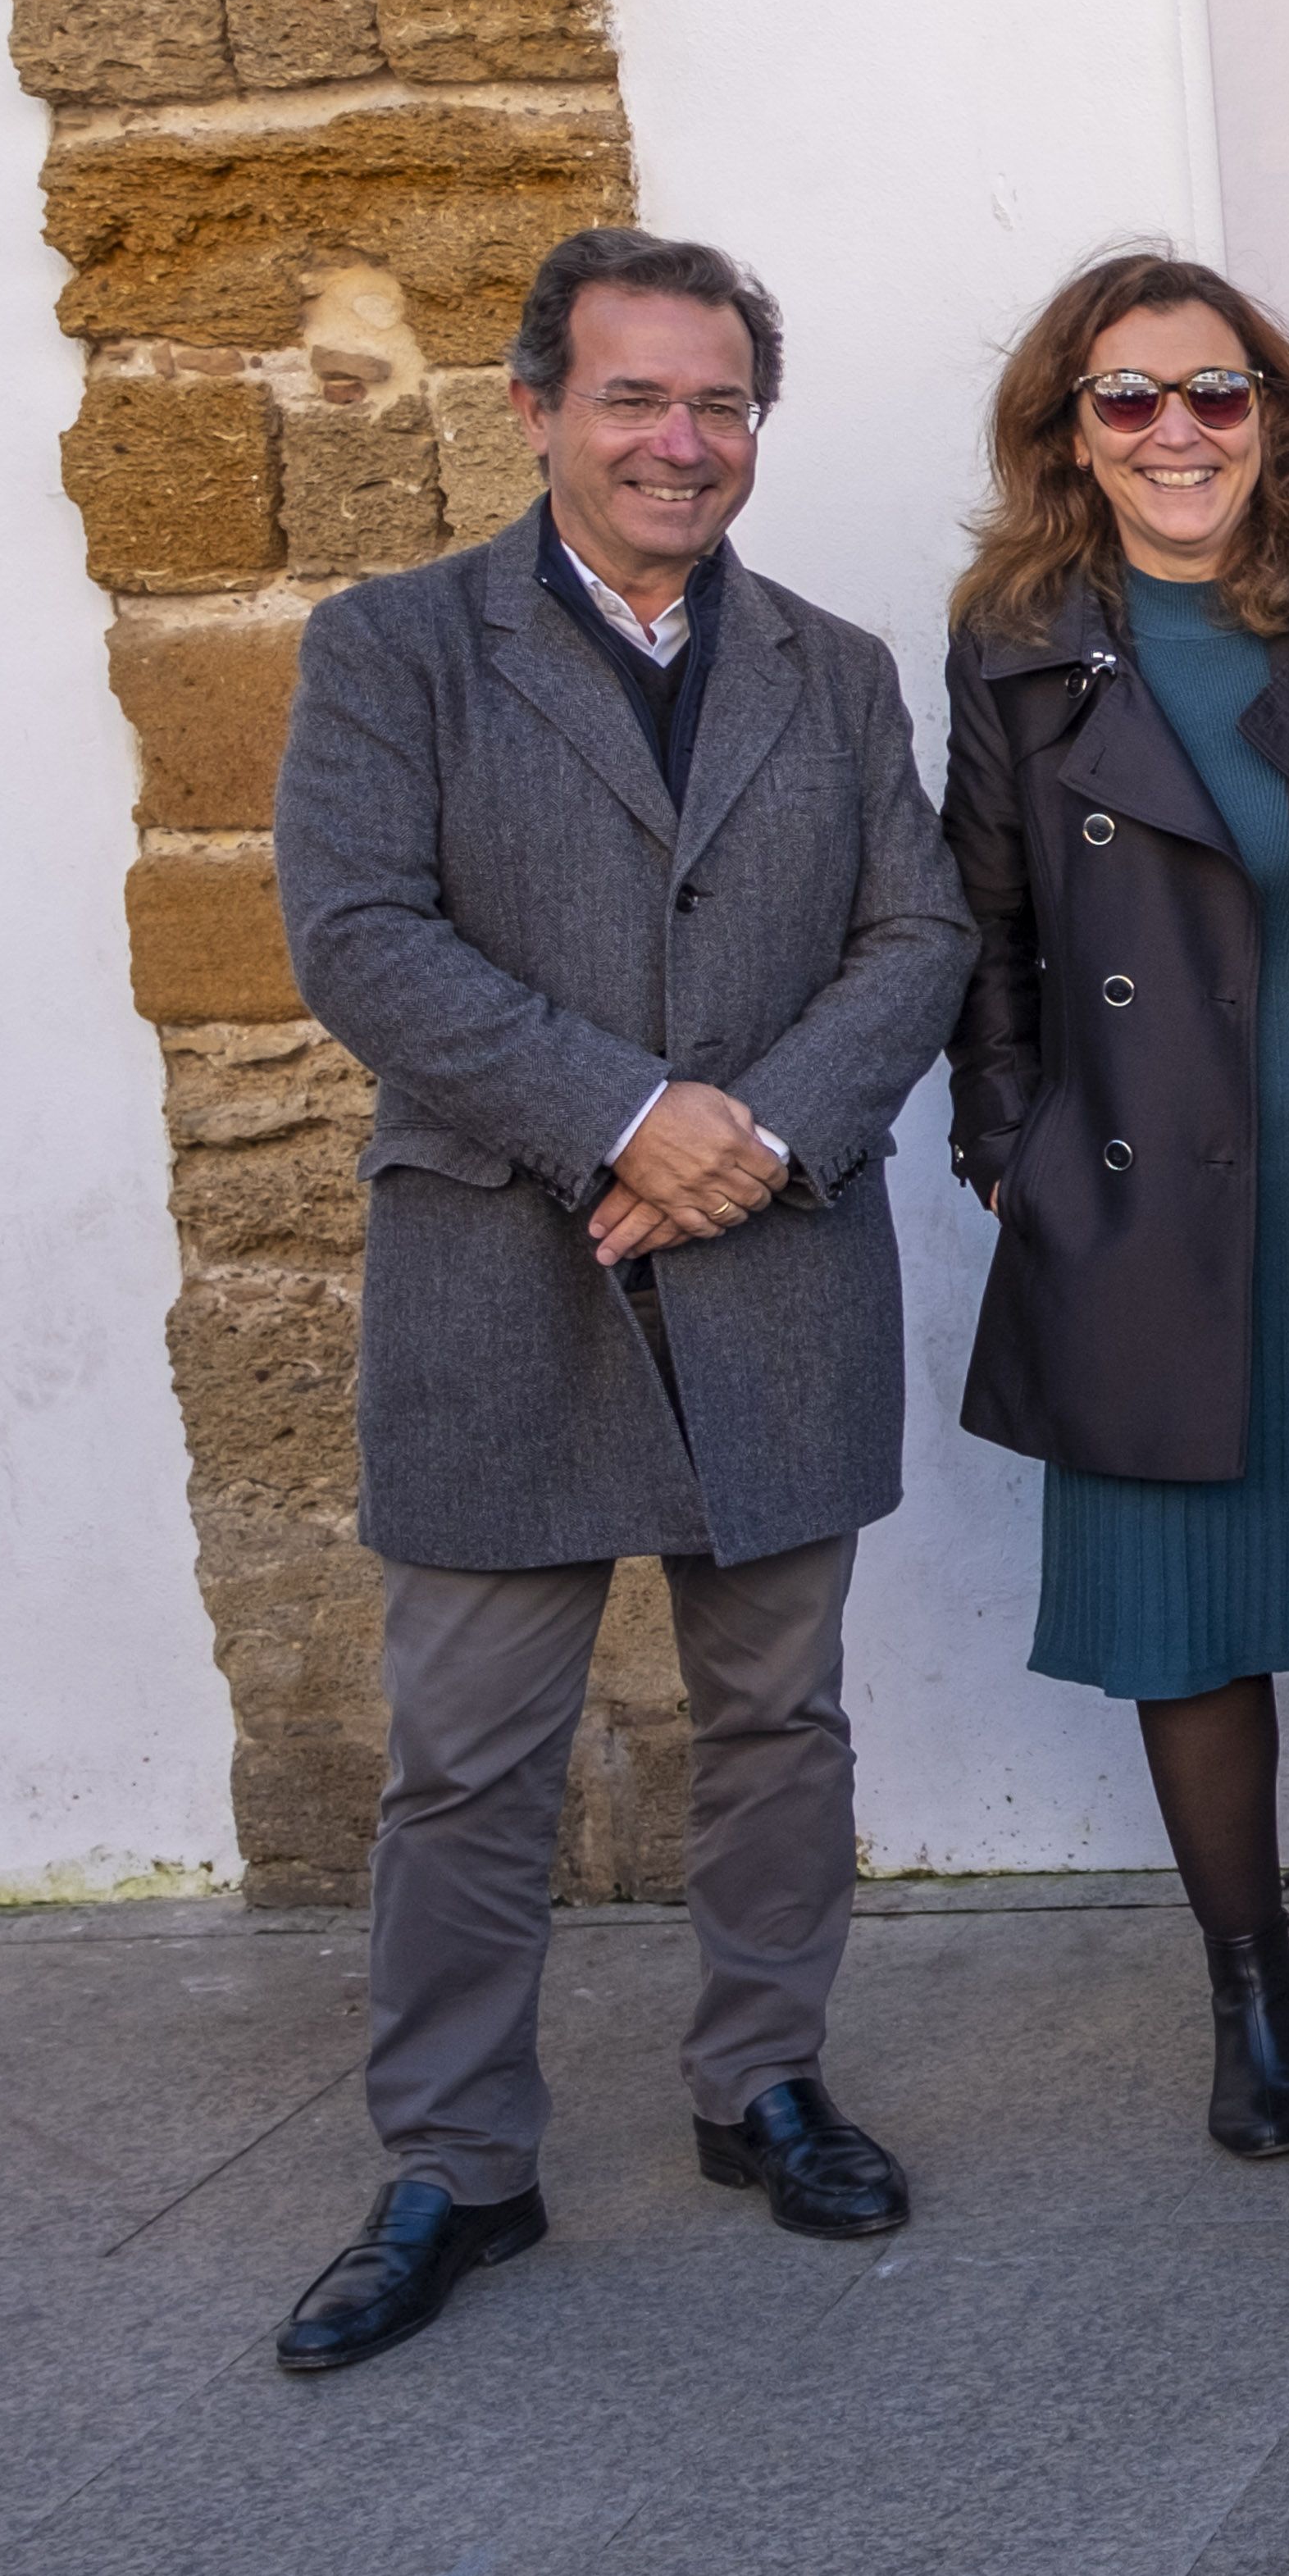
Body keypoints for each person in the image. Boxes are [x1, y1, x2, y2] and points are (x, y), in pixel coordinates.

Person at [262, 228, 972, 2373]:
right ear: (536, 411)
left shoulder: (831, 670)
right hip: (507, 1273)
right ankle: (458, 2165)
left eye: (722, 404)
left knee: (776, 1720)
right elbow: (360, 934)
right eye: (639, 398)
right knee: (470, 1764)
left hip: (770, 1268)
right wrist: (625, 1115)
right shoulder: (397, 648)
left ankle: (764, 2080)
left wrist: (747, 1134)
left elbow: (918, 932)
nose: (683, 440)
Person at [945, 254, 1289, 2161]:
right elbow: (985, 932)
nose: (1177, 430)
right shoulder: (1015, 634)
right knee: (1184, 1612)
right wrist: (1010, 1151)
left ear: (1276, 414)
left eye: (1216, 392)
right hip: (1129, 1196)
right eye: (1129, 398)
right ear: (1070, 434)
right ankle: (1246, 1976)